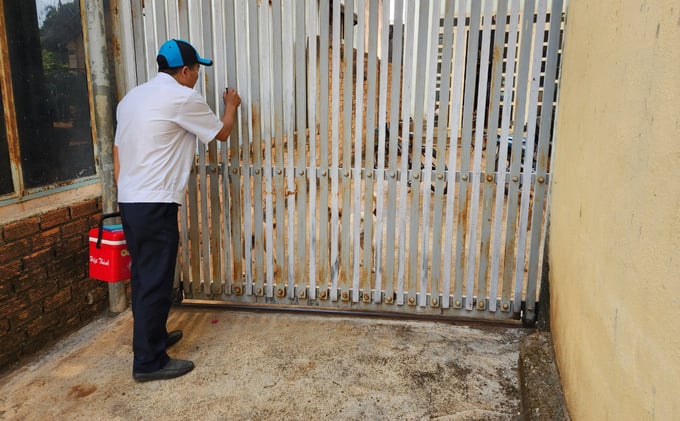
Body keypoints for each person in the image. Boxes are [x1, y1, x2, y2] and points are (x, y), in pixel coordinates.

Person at [113, 39, 241, 382]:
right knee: (155, 281)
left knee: (143, 277)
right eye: (197, 70)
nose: (198, 76)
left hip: (130, 199)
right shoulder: (183, 97)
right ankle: (149, 362)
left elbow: (117, 151)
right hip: (155, 203)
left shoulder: (130, 99)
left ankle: (151, 339)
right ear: (184, 71)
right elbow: (223, 133)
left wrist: (126, 191)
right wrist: (231, 105)